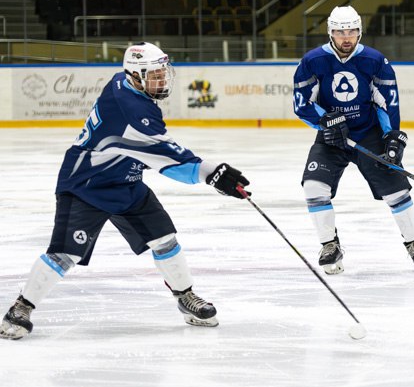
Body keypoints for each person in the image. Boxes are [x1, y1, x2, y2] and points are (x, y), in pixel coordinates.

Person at [0, 43, 250, 340]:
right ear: (136, 75)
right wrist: (213, 174)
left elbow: (152, 151)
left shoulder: (124, 83)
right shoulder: (132, 112)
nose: (162, 80)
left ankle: (185, 296)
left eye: (162, 73)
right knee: (65, 254)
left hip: (126, 182)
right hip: (86, 185)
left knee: (165, 240)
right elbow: (170, 160)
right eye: (155, 74)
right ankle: (21, 307)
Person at [292, 5, 414, 274]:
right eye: (340, 31)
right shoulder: (313, 61)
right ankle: (329, 245)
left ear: (360, 32)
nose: (346, 37)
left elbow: (389, 102)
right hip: (332, 139)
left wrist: (392, 136)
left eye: (352, 31)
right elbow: (301, 104)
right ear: (330, 32)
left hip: (368, 135)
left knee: (397, 190)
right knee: (313, 187)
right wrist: (325, 119)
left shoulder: (375, 60)